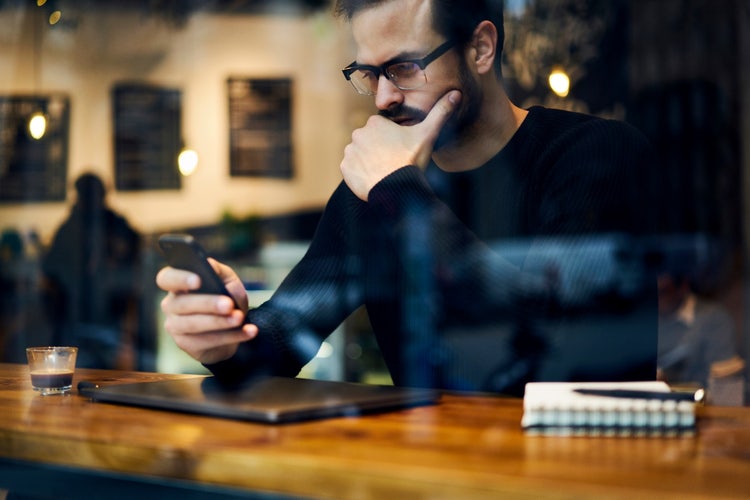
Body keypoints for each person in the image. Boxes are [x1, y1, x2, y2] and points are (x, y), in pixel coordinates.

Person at [157, 0, 658, 395]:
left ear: (481, 49)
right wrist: (224, 334)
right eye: (369, 73)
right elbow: (286, 337)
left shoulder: (597, 154)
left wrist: (399, 191)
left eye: (404, 67)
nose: (383, 98)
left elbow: (555, 353)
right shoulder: (377, 188)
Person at [42, 172, 141, 369]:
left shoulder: (113, 224)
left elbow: (134, 250)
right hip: (75, 316)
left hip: (108, 315)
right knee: (78, 371)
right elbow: (50, 269)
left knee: (106, 373)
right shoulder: (71, 227)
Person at [657, 272, 745, 405]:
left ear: (682, 287)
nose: (655, 299)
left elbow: (728, 392)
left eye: (663, 292)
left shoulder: (713, 319)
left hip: (702, 411)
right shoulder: (639, 316)